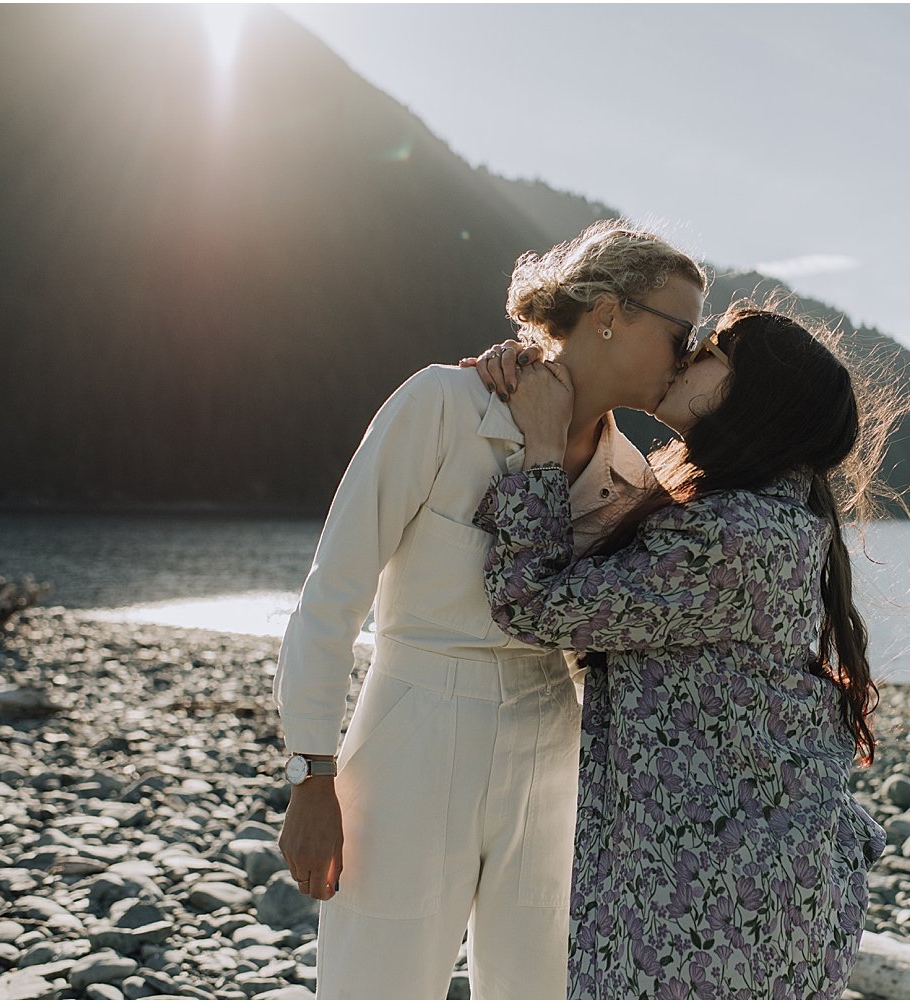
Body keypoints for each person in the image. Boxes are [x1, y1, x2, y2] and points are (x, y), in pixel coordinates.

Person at [273, 219, 707, 999]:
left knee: (541, 988)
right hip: (414, 725)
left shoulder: (632, 478)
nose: (688, 357)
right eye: (682, 333)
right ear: (608, 312)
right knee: (375, 985)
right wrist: (310, 771)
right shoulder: (441, 402)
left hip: (552, 745)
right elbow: (331, 593)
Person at [471, 306, 895, 999]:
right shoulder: (769, 514)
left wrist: (545, 446)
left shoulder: (731, 535)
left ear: (749, 396)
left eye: (713, 352)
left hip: (713, 903)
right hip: (741, 884)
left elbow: (533, 604)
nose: (687, 355)